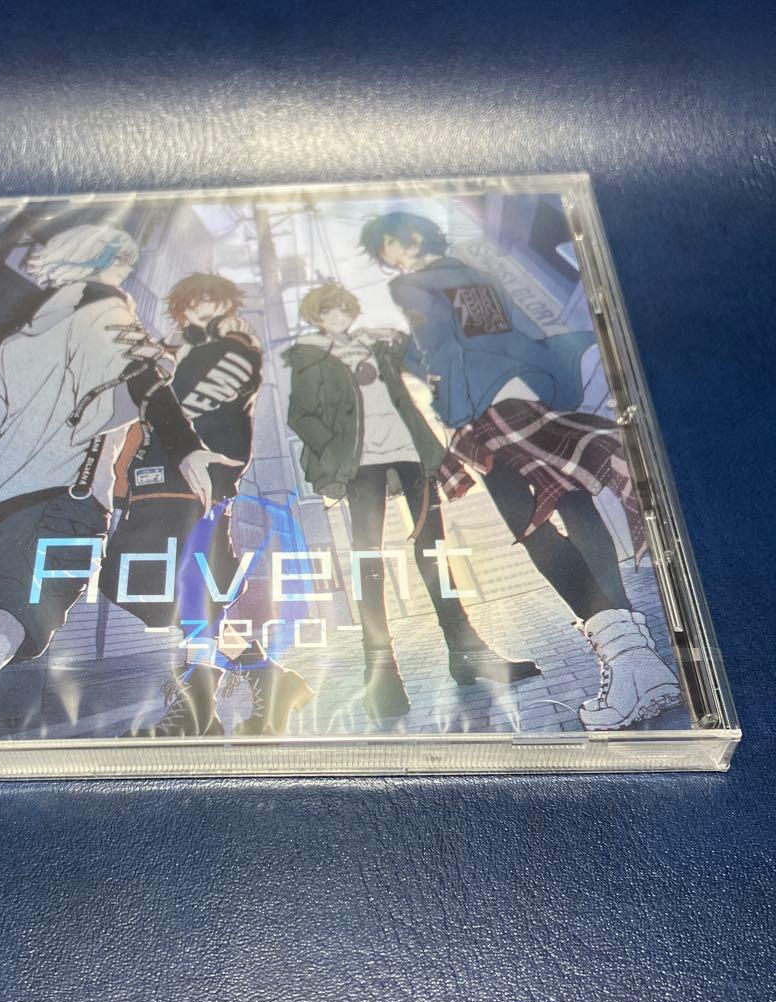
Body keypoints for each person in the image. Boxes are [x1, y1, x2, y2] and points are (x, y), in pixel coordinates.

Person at [0, 225, 237, 742]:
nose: (126, 273)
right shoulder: (108, 311)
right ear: (107, 265)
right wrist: (187, 447)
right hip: (63, 505)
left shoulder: (27, 335)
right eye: (122, 264)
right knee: (12, 622)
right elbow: (146, 380)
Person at [360, 211, 680, 730]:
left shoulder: (414, 284)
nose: (391, 258)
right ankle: (638, 661)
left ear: (409, 237)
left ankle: (630, 663)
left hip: (485, 411)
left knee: (532, 527)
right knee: (573, 504)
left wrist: (416, 363)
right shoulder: (467, 272)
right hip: (516, 394)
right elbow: (483, 336)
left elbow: (451, 346)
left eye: (389, 246)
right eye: (385, 254)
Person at [285, 283, 539, 721]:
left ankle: (466, 652)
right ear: (316, 317)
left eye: (342, 309)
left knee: (433, 551)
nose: (337, 318)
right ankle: (381, 673)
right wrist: (335, 452)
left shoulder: (376, 344)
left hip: (410, 452)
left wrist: (395, 338)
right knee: (368, 561)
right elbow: (300, 416)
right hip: (361, 465)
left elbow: (418, 362)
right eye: (327, 313)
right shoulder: (311, 356)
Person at [99, 273, 313, 737]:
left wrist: (157, 369)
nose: (201, 311)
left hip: (195, 485)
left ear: (225, 303)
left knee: (190, 596)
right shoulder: (184, 349)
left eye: (210, 302)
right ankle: (265, 679)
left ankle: (197, 714)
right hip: (160, 483)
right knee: (147, 586)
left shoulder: (236, 348)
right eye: (192, 305)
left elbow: (178, 406)